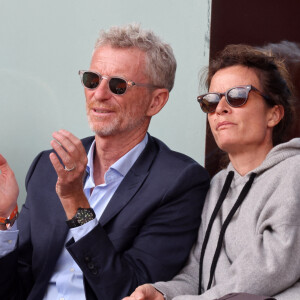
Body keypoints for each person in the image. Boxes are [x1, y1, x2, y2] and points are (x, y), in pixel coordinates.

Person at [0, 24, 210, 300]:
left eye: (117, 85)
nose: (98, 94)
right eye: (92, 79)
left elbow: (129, 291)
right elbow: (16, 287)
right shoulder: (47, 166)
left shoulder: (178, 182)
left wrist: (76, 202)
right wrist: (5, 219)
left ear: (155, 102)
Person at [123, 44, 300, 300]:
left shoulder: (293, 173)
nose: (220, 109)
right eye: (211, 101)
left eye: (237, 96)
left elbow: (266, 272)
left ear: (274, 114)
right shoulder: (217, 185)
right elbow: (197, 272)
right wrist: (163, 292)